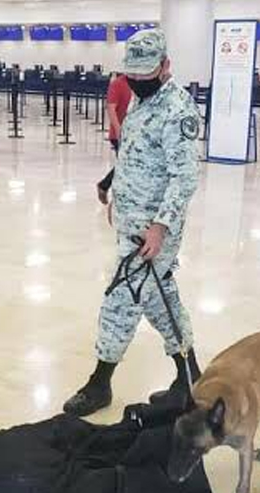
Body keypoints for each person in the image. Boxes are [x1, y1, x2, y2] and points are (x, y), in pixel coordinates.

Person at [63, 29, 202, 417]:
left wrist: (161, 226)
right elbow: (134, 154)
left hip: (153, 233)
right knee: (160, 299)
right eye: (132, 75)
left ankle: (100, 383)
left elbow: (184, 177)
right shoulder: (143, 102)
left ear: (166, 66)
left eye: (146, 74)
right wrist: (114, 188)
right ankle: (190, 379)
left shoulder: (177, 110)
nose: (138, 82)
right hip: (131, 221)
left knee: (121, 300)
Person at [97, 72, 133, 204]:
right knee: (126, 164)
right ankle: (110, 190)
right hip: (119, 134)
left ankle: (104, 186)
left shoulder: (138, 84)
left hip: (134, 133)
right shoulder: (117, 84)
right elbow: (111, 109)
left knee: (126, 164)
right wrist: (118, 131)